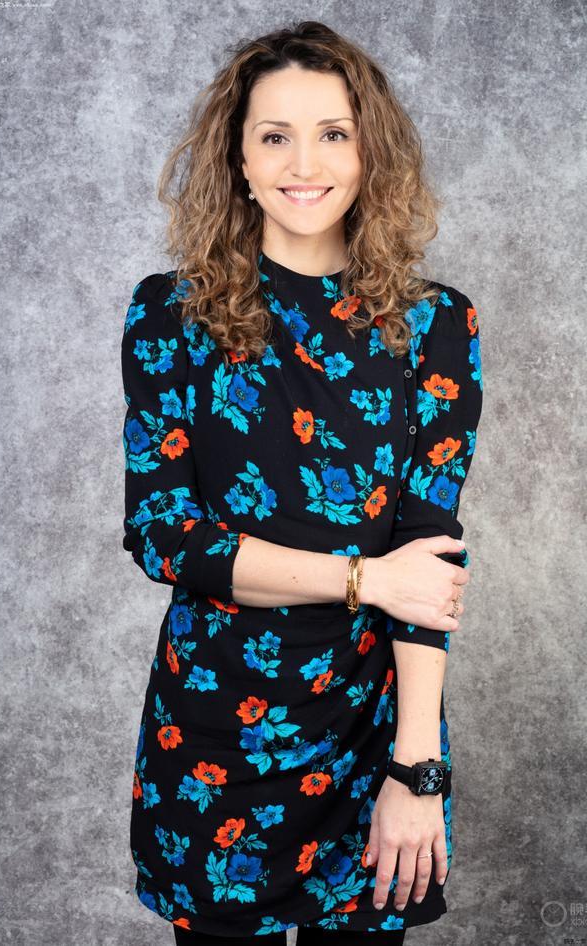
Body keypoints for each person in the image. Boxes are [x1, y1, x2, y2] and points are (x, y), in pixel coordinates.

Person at [121, 20, 483, 946]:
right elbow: (165, 535)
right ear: (238, 160)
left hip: (374, 737)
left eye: (333, 133)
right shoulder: (172, 316)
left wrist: (418, 770)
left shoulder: (437, 325)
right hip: (215, 740)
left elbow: (428, 562)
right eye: (274, 135)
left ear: (370, 154)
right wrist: (364, 578)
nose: (304, 163)